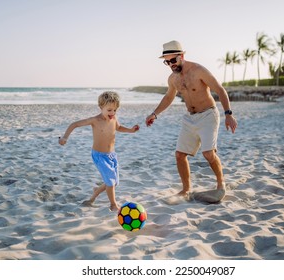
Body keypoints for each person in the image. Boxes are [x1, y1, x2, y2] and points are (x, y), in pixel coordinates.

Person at [145, 40, 237, 197]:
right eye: (167, 62)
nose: (171, 64)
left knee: (208, 154)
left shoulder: (199, 70)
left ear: (181, 56)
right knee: (179, 155)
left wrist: (228, 114)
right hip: (190, 118)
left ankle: (221, 184)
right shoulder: (172, 79)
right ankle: (186, 189)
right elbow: (168, 98)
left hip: (208, 115)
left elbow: (220, 90)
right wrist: (155, 113)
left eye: (173, 60)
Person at [59, 91, 139, 211]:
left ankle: (96, 192)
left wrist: (131, 130)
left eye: (115, 110)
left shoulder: (114, 118)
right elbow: (74, 124)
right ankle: (113, 204)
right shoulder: (95, 120)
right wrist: (65, 137)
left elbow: (118, 127)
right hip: (99, 155)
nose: (112, 113)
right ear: (101, 107)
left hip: (112, 155)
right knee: (111, 182)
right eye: (109, 110)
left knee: (114, 182)